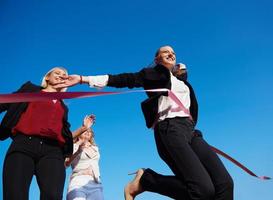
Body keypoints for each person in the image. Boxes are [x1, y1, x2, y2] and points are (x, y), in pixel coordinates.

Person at [59, 46, 234, 200]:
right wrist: (83, 79)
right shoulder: (155, 75)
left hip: (191, 132)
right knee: (203, 190)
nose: (171, 54)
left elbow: (190, 105)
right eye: (166, 52)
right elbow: (125, 79)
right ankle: (146, 180)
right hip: (170, 129)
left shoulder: (184, 84)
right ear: (157, 59)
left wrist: (180, 72)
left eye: (173, 52)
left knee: (224, 184)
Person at [0, 67, 90, 200]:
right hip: (23, 145)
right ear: (47, 77)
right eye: (57, 73)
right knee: (15, 194)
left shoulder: (63, 107)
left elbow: (64, 135)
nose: (61, 76)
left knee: (52, 196)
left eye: (64, 75)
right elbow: (5, 102)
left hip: (53, 151)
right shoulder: (30, 90)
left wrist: (83, 129)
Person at [66, 114, 104, 200]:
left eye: (89, 131)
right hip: (78, 181)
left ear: (91, 135)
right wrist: (78, 149)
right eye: (85, 130)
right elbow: (66, 163)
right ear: (79, 134)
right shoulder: (73, 146)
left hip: (95, 182)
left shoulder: (95, 148)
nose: (87, 132)